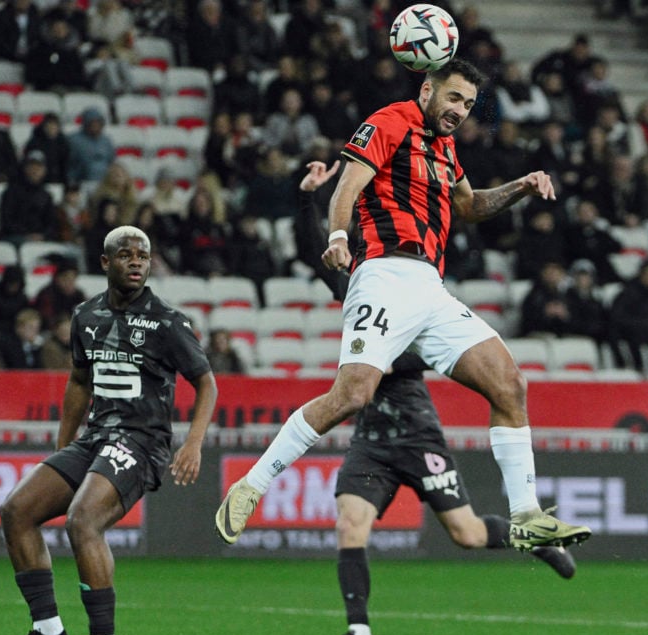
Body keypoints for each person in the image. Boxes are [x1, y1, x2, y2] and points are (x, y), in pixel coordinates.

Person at [215, 59, 591, 551]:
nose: (460, 111)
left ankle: (525, 515)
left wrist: (521, 186)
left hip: (429, 288)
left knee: (509, 384)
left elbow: (470, 206)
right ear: (428, 88)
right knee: (352, 395)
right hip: (383, 275)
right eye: (454, 98)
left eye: (469, 105)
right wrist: (336, 235)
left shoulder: (446, 147)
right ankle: (251, 485)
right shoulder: (390, 120)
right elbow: (349, 184)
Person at [295, 159, 576, 635]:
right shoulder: (357, 286)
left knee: (466, 534)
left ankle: (533, 537)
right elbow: (312, 250)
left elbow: (403, 357)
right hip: (371, 439)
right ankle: (358, 631)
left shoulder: (419, 297)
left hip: (416, 431)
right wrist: (310, 199)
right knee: (349, 522)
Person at [0, 225, 217, 635]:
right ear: (105, 262)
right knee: (16, 511)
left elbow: (206, 382)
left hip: (142, 441)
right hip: (96, 438)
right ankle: (48, 633)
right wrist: (63, 447)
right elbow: (79, 381)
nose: (136, 261)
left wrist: (192, 443)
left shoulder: (167, 321)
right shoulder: (86, 316)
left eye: (143, 255)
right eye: (126, 254)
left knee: (83, 519)